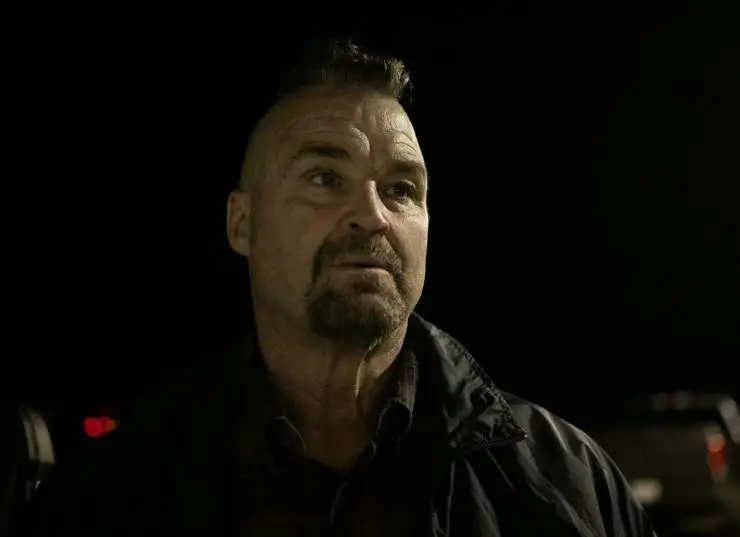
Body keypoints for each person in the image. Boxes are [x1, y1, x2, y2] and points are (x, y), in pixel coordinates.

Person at [18, 39, 655, 537]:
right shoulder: (115, 494)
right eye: (325, 178)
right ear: (242, 224)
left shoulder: (566, 482)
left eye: (401, 189)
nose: (373, 215)